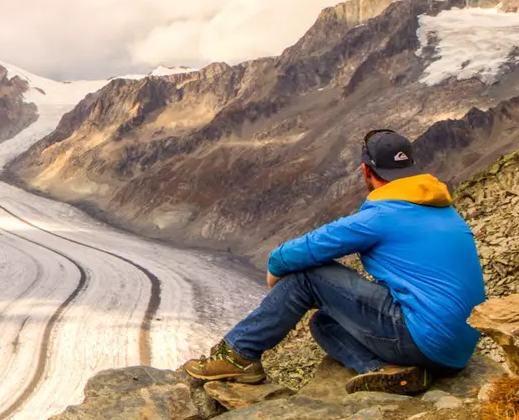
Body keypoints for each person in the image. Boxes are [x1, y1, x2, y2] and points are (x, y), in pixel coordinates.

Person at [181, 129, 486, 396]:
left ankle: (237, 356)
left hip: (419, 337)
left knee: (308, 276)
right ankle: (387, 372)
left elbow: (309, 247)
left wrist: (275, 269)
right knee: (324, 323)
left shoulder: (381, 216)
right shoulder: (445, 211)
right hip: (455, 351)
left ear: (366, 171)